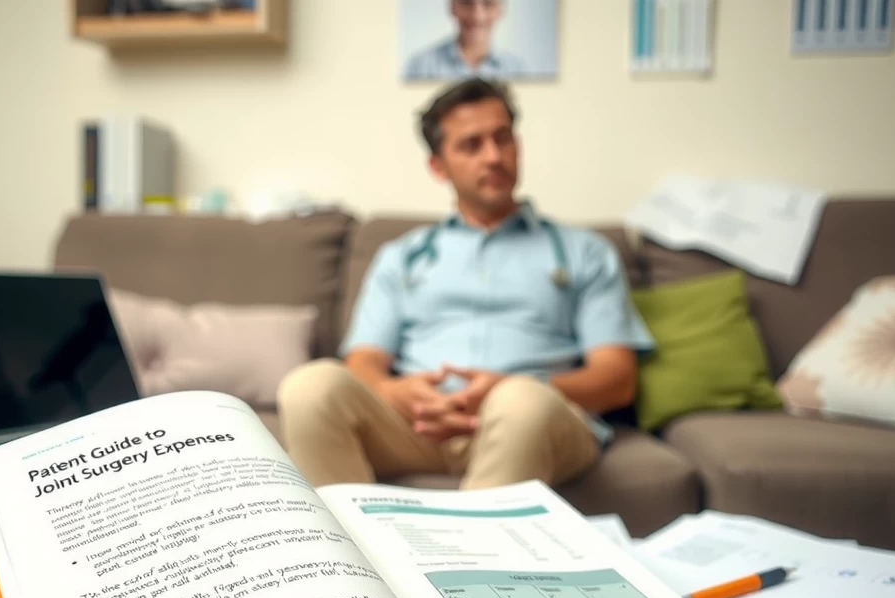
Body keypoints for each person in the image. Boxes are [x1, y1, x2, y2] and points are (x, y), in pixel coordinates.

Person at [278, 78, 654, 490]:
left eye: (502, 138)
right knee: (309, 387)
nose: (493, 156)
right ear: (438, 166)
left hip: (536, 426)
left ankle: (477, 555)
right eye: (471, 145)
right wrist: (393, 391)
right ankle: (339, 553)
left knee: (520, 401)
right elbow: (363, 362)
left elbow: (617, 378)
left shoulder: (586, 252)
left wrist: (510, 390)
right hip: (418, 426)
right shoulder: (402, 257)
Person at [404, 0, 527, 81]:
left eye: (488, 4)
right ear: (452, 7)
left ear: (500, 10)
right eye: (467, 3)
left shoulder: (516, 68)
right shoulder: (422, 65)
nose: (477, 16)